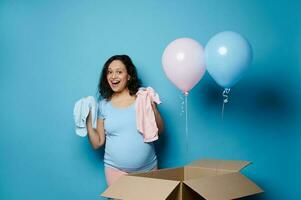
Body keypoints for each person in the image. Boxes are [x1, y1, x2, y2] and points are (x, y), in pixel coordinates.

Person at [86, 54, 164, 186]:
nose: (113, 76)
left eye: (119, 72)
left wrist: (153, 109)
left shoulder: (142, 98)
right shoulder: (103, 105)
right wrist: (87, 120)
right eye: (109, 72)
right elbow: (97, 143)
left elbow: (160, 131)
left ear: (129, 76)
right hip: (115, 172)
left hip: (148, 169)